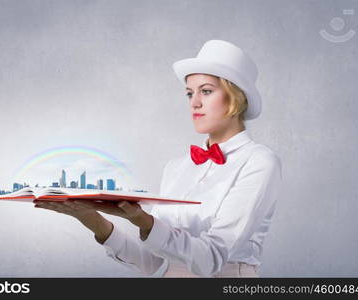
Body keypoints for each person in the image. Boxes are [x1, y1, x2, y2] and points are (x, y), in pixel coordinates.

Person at [33, 40, 283, 277]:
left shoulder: (260, 162)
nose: (194, 103)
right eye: (189, 93)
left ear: (236, 99)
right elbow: (152, 263)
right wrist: (92, 219)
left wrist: (144, 221)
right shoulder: (176, 168)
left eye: (206, 91)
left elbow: (211, 259)